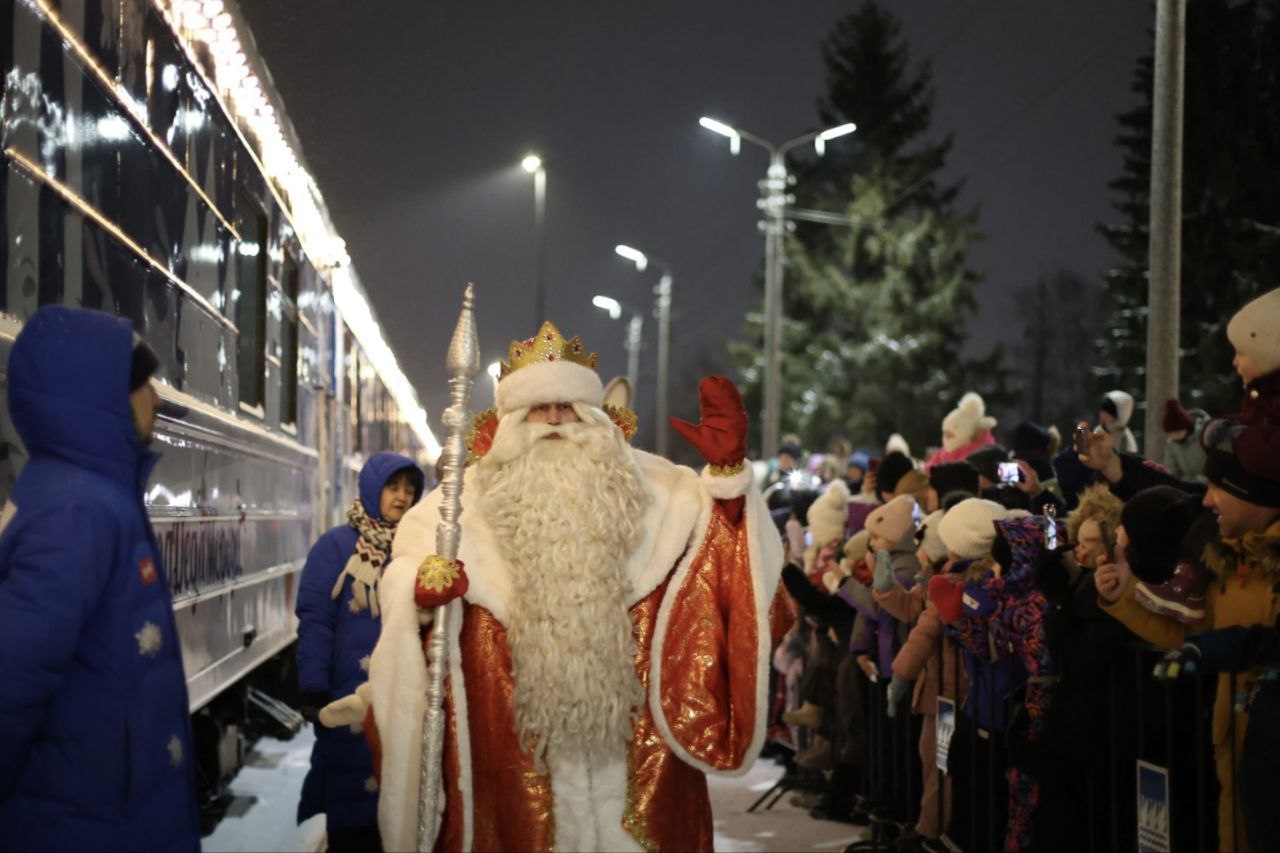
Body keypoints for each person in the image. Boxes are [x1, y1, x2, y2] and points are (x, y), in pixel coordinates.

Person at [325, 322, 790, 851]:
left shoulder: (666, 496)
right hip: (510, 761)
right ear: (509, 421)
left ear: (594, 417)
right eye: (536, 409)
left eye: (566, 408)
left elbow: (732, 583)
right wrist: (420, 594)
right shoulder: (455, 511)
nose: (552, 421)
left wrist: (728, 486)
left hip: (636, 761)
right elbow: (406, 584)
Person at [0, 306, 199, 851]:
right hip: (87, 823)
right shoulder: (78, 511)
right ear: (98, 394)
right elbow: (13, 678)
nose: (157, 400)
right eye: (142, 385)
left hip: (103, 812)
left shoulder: (87, 496)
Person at [1096, 417, 1280, 851]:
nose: (1208, 500)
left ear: (1254, 493)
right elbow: (1193, 634)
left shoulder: (1264, 563)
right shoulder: (1227, 559)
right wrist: (1127, 593)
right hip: (1234, 745)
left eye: (1219, 488)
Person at [296, 452, 424, 851]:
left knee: (397, 798)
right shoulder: (335, 547)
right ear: (373, 488)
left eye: (409, 489)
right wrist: (314, 685)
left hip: (401, 696)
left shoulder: (418, 550)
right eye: (393, 487)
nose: (402, 497)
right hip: (346, 693)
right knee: (351, 800)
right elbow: (316, 618)